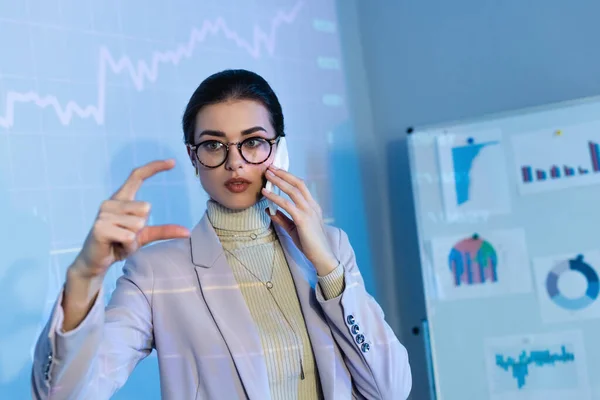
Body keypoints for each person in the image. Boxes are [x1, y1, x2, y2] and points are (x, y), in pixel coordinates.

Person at [31, 69, 412, 399]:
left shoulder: (331, 249)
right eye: (214, 145)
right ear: (194, 157)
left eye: (253, 142)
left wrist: (328, 268)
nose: (234, 162)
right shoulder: (156, 273)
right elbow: (64, 395)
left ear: (279, 151)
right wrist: (84, 276)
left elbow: (390, 390)